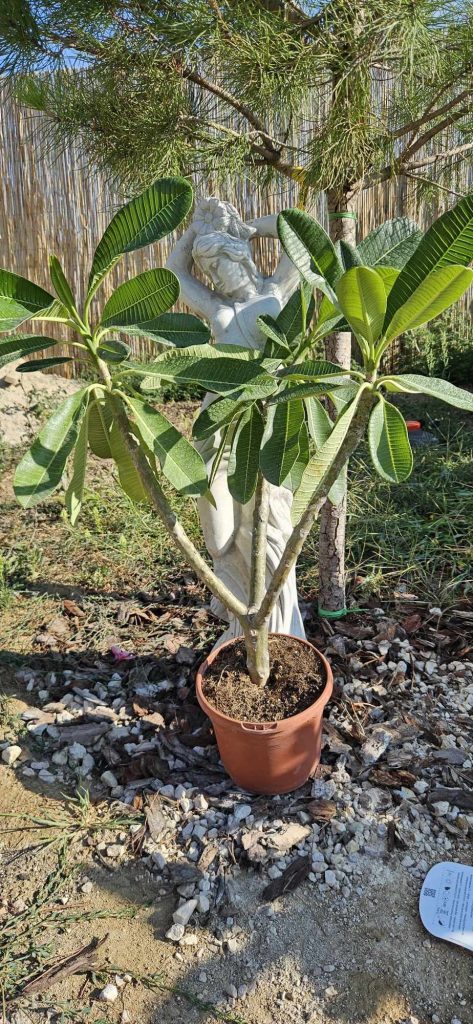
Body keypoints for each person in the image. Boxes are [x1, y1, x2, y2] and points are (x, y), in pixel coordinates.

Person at [167, 198, 305, 645]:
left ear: (242, 258)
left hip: (266, 431)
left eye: (222, 262)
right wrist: (194, 234)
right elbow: (173, 274)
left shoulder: (275, 293)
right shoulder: (218, 311)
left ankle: (274, 628)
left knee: (269, 531)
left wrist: (245, 230)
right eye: (209, 268)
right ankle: (240, 620)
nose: (216, 275)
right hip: (219, 433)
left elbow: (298, 233)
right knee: (220, 541)